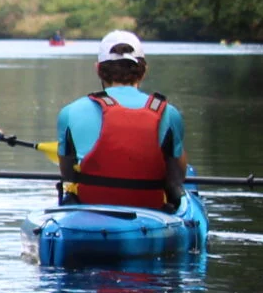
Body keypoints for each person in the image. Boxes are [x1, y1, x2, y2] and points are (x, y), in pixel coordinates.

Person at [55, 30, 187, 209]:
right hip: (150, 211)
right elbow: (177, 177)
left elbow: (68, 174)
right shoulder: (169, 113)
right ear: (144, 70)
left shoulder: (69, 112)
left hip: (89, 210)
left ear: (98, 70)